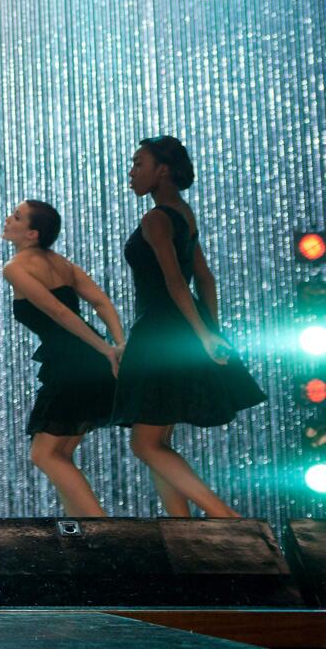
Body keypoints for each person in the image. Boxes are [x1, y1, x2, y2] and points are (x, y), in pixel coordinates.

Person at [113, 136, 266, 517]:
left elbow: (176, 282)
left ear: (161, 170)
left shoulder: (156, 218)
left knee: (145, 444)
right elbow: (205, 278)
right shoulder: (183, 213)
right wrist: (210, 331)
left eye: (138, 164)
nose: (131, 173)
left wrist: (205, 335)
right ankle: (182, 530)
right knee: (158, 439)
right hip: (179, 327)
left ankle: (225, 517)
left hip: (161, 331)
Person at [1, 199, 124, 517]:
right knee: (60, 454)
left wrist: (107, 349)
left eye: (16, 217)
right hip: (89, 360)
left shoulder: (15, 268)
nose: (7, 220)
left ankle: (101, 531)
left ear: (32, 234)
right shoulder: (63, 264)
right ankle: (85, 534)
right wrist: (118, 345)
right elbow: (102, 303)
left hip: (72, 363)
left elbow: (57, 312)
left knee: (44, 455)